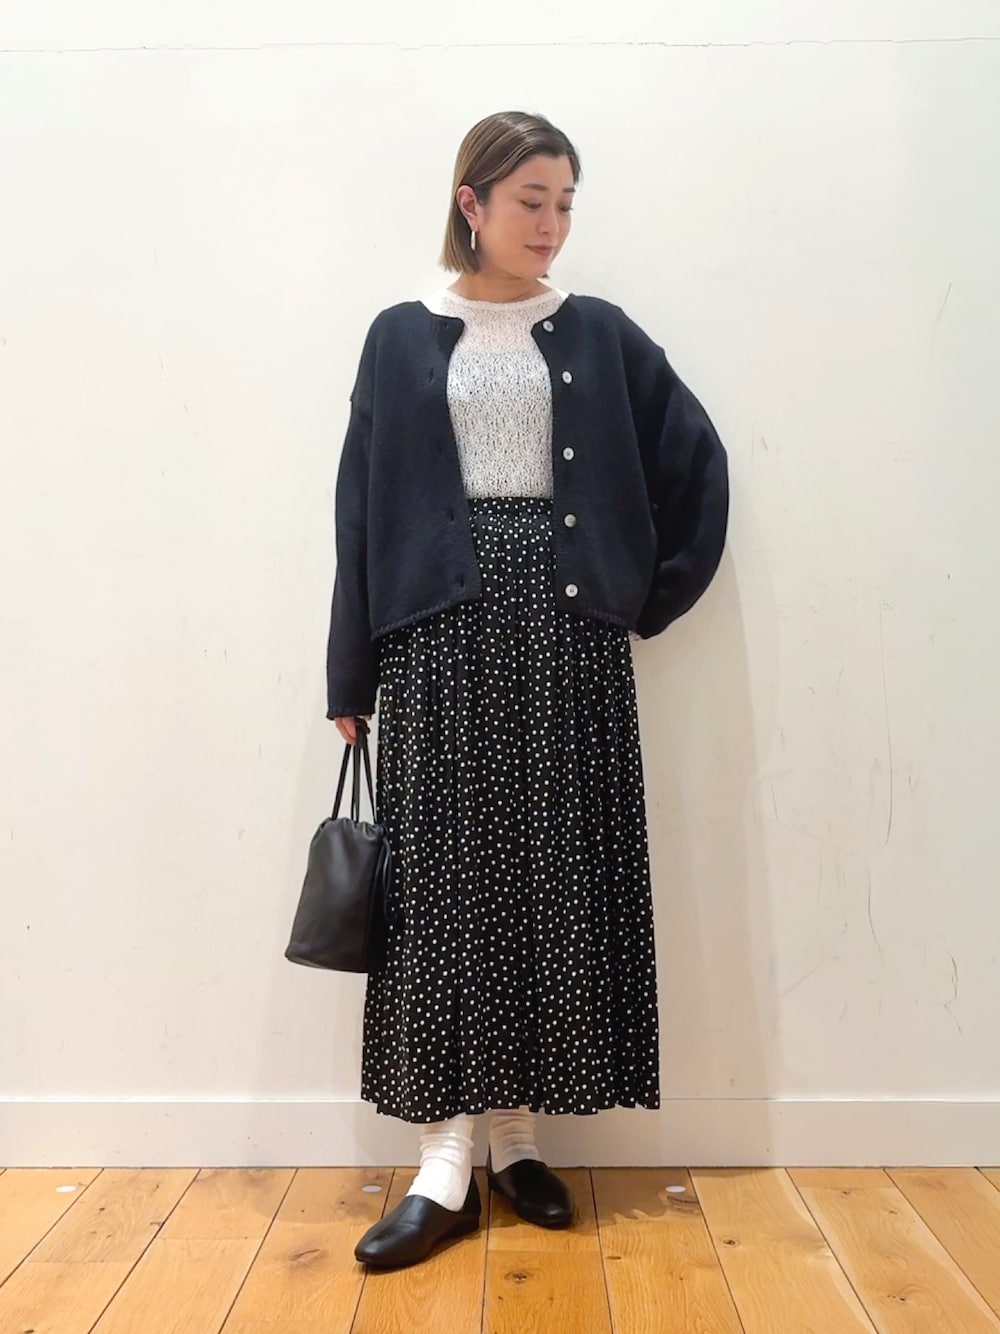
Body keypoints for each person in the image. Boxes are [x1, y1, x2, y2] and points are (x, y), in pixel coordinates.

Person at [326, 110, 729, 1269]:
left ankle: (516, 1141)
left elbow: (696, 466)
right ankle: (442, 1160)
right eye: (529, 202)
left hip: (566, 640)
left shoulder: (598, 332)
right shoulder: (399, 335)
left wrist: (638, 598)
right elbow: (357, 511)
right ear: (473, 202)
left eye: (564, 204)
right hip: (438, 645)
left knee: (551, 878)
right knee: (447, 891)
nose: (550, 226)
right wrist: (350, 670)